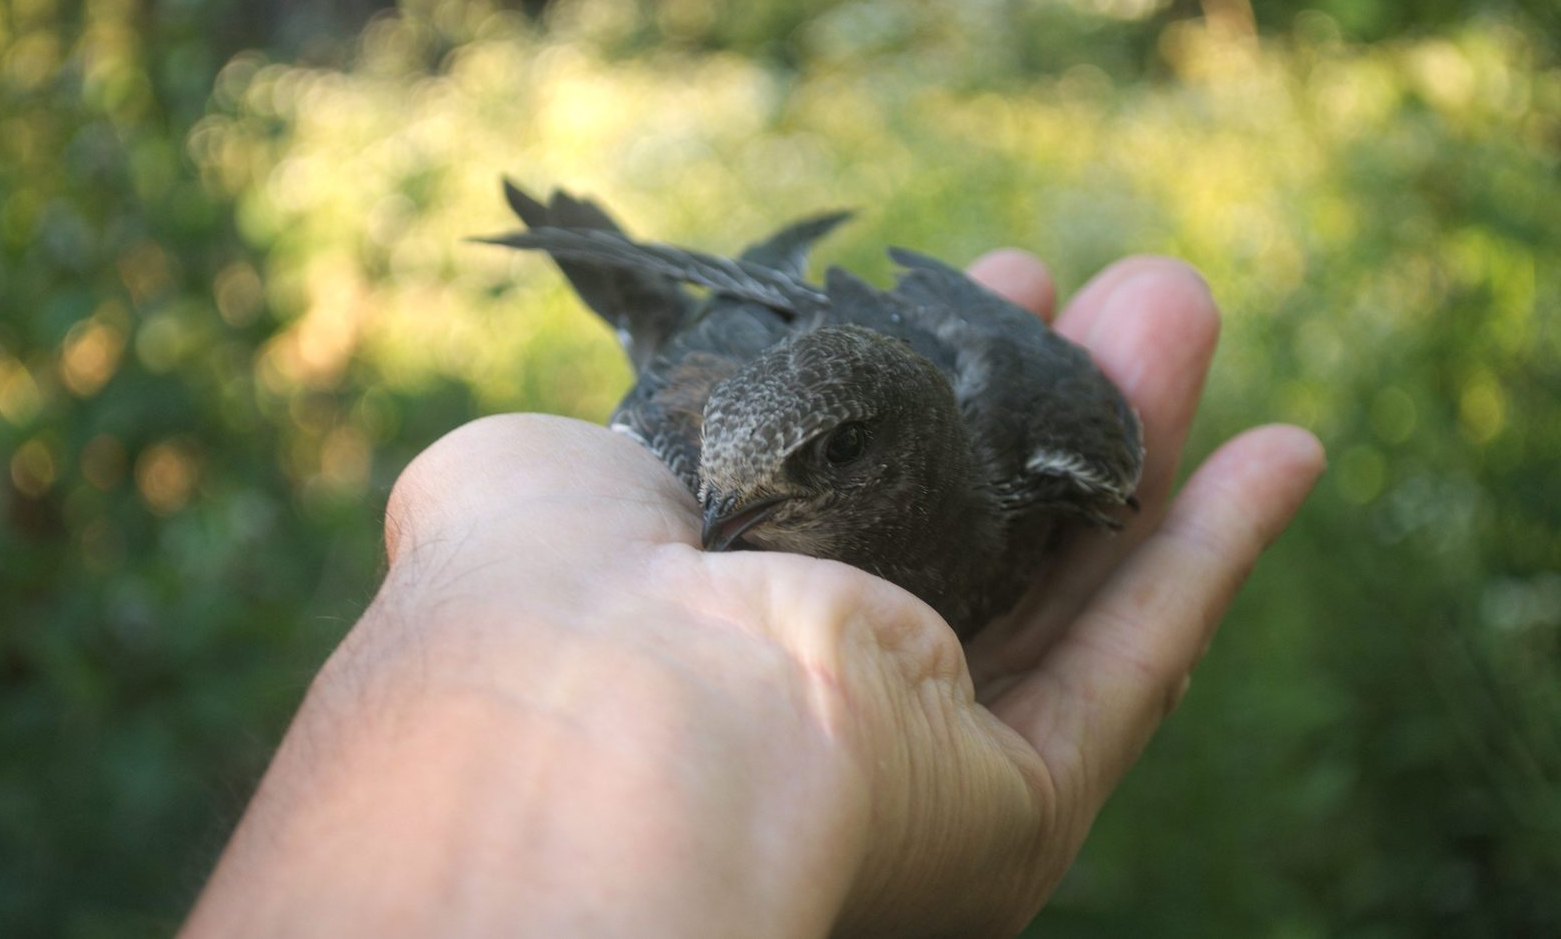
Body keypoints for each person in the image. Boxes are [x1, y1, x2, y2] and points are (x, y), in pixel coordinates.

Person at [181, 251, 1325, 937]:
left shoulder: (1042, 448)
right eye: (717, 495)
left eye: (818, 464)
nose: (714, 528)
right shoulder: (705, 476)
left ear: (904, 450)